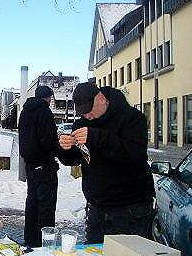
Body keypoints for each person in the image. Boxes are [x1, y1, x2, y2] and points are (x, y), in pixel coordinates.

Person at [58, 82, 154, 244]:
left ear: (101, 98)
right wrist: (64, 148)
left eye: (89, 110)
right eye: (82, 113)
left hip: (130, 208)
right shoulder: (82, 123)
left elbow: (135, 156)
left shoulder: (132, 118)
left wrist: (97, 138)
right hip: (97, 208)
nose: (86, 116)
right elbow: (76, 159)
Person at [18, 85, 60, 247]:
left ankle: (30, 238)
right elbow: (48, 140)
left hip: (30, 164)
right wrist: (57, 151)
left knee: (32, 202)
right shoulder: (44, 111)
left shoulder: (25, 111)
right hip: (44, 164)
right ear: (48, 97)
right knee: (46, 206)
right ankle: (44, 242)